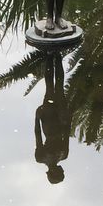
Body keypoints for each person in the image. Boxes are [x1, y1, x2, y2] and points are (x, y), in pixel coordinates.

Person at [34, 53, 70, 184]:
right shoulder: (45, 157)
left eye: (62, 172)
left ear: (56, 172)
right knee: (53, 86)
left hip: (56, 118)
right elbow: (38, 134)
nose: (63, 170)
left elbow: (38, 136)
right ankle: (53, 56)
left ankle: (54, 56)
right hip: (51, 121)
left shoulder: (60, 155)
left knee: (56, 86)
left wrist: (37, 118)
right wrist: (37, 118)